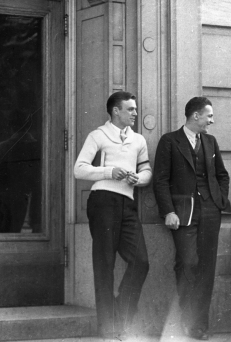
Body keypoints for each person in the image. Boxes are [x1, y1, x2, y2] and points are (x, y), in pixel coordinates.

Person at [74, 91, 152, 339]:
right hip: (103, 201)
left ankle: (122, 315)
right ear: (116, 111)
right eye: (130, 109)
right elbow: (79, 169)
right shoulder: (98, 135)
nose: (135, 113)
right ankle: (109, 327)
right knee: (104, 265)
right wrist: (109, 172)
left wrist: (139, 179)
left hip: (127, 203)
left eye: (135, 109)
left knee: (141, 261)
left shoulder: (138, 140)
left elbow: (146, 169)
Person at [153, 96, 231, 340]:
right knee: (188, 263)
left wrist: (218, 200)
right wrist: (169, 211)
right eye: (209, 115)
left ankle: (198, 325)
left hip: (210, 212)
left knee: (206, 268)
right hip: (183, 213)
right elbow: (160, 180)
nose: (212, 120)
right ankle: (186, 318)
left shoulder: (210, 141)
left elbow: (222, 175)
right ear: (195, 116)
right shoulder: (169, 141)